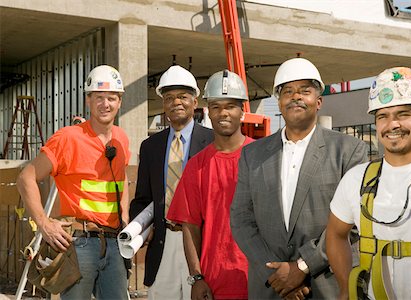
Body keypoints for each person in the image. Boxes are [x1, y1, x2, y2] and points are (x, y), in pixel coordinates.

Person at [230, 58, 368, 299]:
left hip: (328, 285)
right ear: (279, 102)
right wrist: (277, 275)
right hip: (271, 286)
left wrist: (302, 267)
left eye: (305, 91)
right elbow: (241, 218)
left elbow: (355, 220)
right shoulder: (253, 154)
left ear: (319, 101)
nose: (296, 97)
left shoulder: (349, 150)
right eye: (288, 91)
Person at [326, 67, 411, 300]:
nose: (392, 124)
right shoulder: (356, 179)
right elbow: (335, 233)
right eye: (382, 116)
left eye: (403, 114)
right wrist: (345, 288)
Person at [17, 65, 131, 299]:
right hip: (80, 244)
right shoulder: (68, 138)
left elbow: (122, 178)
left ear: (119, 102)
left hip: (113, 243)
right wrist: (44, 223)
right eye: (99, 97)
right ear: (88, 101)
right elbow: (26, 177)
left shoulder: (121, 139)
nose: (105, 104)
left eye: (111, 98)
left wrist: (126, 215)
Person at [129, 65, 214, 300]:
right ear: (163, 105)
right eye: (169, 98)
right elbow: (143, 197)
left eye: (183, 97)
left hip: (200, 243)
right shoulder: (150, 146)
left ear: (194, 102)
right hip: (163, 241)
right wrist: (139, 230)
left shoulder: (212, 142)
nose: (176, 102)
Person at [167, 70, 253, 300]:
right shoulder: (197, 166)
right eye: (216, 106)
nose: (223, 113)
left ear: (242, 111)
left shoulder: (263, 158)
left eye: (230, 106)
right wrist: (196, 277)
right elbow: (190, 227)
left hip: (260, 281)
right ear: (207, 111)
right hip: (214, 284)